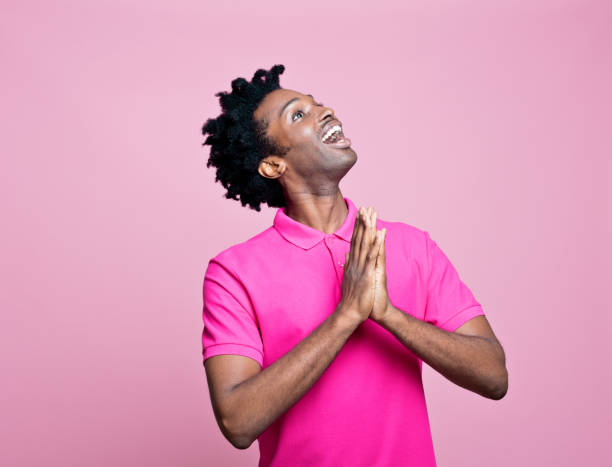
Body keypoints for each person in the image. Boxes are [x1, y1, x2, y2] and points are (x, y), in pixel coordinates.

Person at [200, 64, 508, 466]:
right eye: (298, 114)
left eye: (318, 104)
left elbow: (494, 376)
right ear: (273, 165)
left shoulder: (412, 246)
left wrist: (387, 315)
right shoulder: (234, 272)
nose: (324, 112)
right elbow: (238, 422)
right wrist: (346, 315)